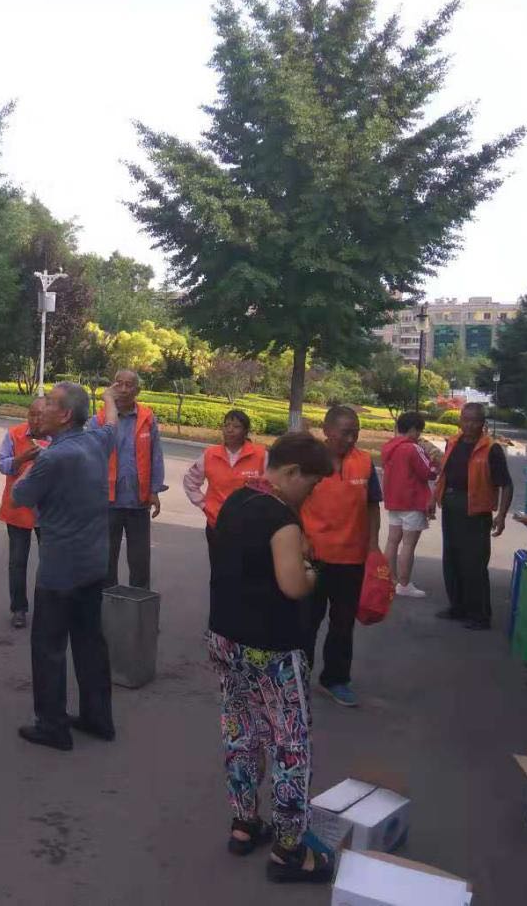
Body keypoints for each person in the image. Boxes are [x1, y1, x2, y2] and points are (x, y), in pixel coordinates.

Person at [206, 431, 334, 884]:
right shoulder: (281, 519)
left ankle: (244, 825)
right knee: (289, 743)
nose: (311, 494)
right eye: (311, 484)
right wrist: (312, 570)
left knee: (240, 733)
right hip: (272, 648)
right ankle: (289, 849)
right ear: (292, 472)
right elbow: (293, 585)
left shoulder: (237, 500)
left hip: (226, 637)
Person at [13, 381, 119, 751]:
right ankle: (98, 718)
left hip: (60, 570)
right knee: (90, 642)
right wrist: (109, 398)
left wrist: (27, 461)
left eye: (49, 403)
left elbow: (20, 496)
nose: (41, 408)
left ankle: (52, 725)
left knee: (49, 647)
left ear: (65, 415)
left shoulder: (52, 458)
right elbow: (112, 424)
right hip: (93, 563)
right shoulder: (96, 441)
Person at [300, 406, 382, 708]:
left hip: (352, 560)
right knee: (306, 621)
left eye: (355, 432)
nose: (351, 438)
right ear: (327, 430)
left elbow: (372, 506)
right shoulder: (308, 460)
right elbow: (291, 501)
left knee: (343, 624)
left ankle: (335, 679)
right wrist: (301, 538)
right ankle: (298, 676)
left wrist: (373, 545)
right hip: (314, 558)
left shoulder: (364, 463)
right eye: (345, 432)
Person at [434, 402, 513, 631]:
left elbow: (506, 484)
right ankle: (457, 606)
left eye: (474, 421)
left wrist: (501, 516)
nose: (469, 425)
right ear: (460, 420)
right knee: (452, 559)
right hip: (452, 506)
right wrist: (433, 499)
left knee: (474, 563)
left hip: (476, 512)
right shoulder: (453, 442)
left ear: (482, 423)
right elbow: (444, 475)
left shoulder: (491, 449)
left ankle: (479, 615)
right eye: (465, 420)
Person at [183, 409, 268, 600]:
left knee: (247, 576)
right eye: (227, 425)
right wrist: (204, 505)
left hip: (251, 528)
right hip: (218, 525)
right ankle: (218, 615)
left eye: (236, 426)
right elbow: (190, 482)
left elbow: (272, 486)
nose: (230, 430)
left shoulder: (261, 455)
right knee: (219, 575)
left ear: (246, 431)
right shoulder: (210, 454)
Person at [93, 369, 166, 589]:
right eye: (119, 383)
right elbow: (89, 458)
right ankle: (107, 605)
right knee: (106, 561)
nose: (123, 389)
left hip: (138, 502)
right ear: (112, 386)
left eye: (129, 385)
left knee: (140, 562)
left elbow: (156, 456)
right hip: (108, 502)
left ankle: (139, 605)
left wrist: (154, 490)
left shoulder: (147, 418)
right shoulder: (99, 419)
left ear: (137, 390)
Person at [0, 400, 49, 629]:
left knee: (49, 562)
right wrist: (21, 459)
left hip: (48, 511)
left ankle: (47, 607)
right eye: (32, 414)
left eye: (41, 415)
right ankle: (18, 608)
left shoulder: (58, 437)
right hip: (18, 509)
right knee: (17, 562)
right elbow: (2, 465)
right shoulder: (14, 434)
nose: (36, 420)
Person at [380, 412, 436, 600]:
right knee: (408, 544)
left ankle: (389, 580)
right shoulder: (413, 448)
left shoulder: (389, 447)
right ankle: (404, 584)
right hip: (412, 501)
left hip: (393, 500)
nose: (419, 434)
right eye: (419, 430)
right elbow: (428, 472)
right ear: (413, 429)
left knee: (392, 541)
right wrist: (434, 460)